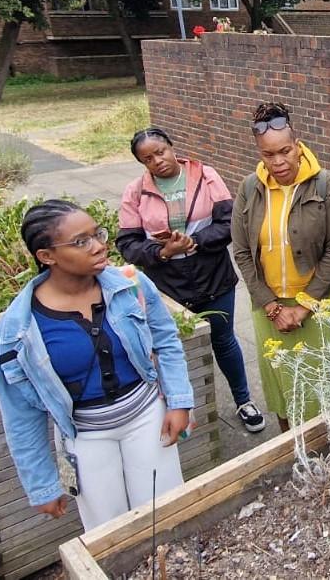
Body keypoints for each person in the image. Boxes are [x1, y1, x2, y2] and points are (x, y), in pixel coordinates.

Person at [0, 200, 194, 531]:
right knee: (108, 530)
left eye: (98, 234)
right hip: (84, 437)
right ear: (47, 256)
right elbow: (20, 413)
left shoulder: (131, 285)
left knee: (167, 516)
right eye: (81, 241)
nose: (99, 246)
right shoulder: (17, 330)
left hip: (147, 419)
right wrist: (41, 485)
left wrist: (179, 402)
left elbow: (166, 340)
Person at [117, 127, 265, 433]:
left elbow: (229, 223)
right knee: (176, 347)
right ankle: (184, 408)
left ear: (172, 147)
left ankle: (244, 401)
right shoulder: (135, 191)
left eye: (160, 152)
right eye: (148, 159)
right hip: (167, 284)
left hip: (213, 276)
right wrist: (163, 252)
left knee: (223, 339)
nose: (157, 161)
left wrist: (195, 241)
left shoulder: (205, 176)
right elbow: (127, 244)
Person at [231, 102, 330, 432]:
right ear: (259, 153)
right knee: (281, 383)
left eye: (285, 151)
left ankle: (327, 446)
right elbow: (241, 252)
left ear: (297, 145)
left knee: (320, 384)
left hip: (317, 303)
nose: (278, 161)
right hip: (268, 306)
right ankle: (292, 447)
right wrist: (271, 307)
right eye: (268, 154)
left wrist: (304, 305)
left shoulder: (325, 184)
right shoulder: (249, 189)